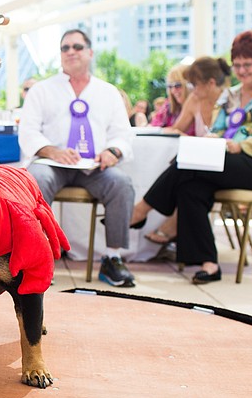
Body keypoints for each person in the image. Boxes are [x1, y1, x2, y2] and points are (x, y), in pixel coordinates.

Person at [130, 30, 252, 284]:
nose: (241, 71)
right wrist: (213, 141)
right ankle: (208, 263)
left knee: (188, 163)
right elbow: (218, 129)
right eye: (237, 66)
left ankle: (142, 209)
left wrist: (241, 146)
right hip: (230, 160)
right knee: (191, 185)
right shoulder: (233, 94)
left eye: (247, 65)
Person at [20, 28, 137, 288]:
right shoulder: (42, 90)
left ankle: (113, 258)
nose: (71, 52)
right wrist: (52, 151)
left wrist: (112, 152)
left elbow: (123, 135)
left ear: (90, 52)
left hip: (95, 166)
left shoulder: (108, 92)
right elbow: (27, 132)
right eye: (65, 48)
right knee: (34, 179)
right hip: (53, 164)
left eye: (77, 47)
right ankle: (38, 258)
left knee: (122, 184)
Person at [145, 57, 233, 246]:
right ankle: (199, 257)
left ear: (210, 84)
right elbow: (177, 128)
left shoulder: (231, 102)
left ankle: (143, 209)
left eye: (192, 84)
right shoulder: (194, 101)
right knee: (189, 186)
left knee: (187, 170)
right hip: (202, 167)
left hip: (221, 164)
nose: (190, 88)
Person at [150, 64, 191, 129]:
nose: (173, 90)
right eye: (170, 86)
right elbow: (153, 126)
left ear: (189, 85)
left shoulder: (198, 105)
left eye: (178, 85)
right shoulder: (168, 106)